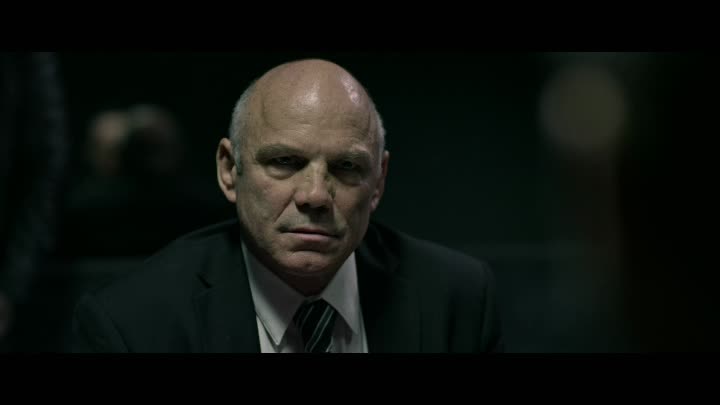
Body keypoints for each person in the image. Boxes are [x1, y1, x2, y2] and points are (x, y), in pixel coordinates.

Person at [71, 58, 503, 353]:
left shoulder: (457, 299)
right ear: (229, 170)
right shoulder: (134, 324)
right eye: (284, 162)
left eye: (347, 167)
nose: (314, 195)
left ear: (379, 182)